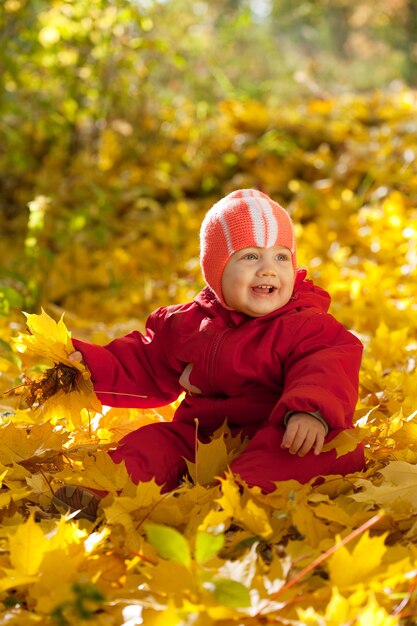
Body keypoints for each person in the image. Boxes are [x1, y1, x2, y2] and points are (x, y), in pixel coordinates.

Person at [52, 189, 365, 521]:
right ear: (217, 270)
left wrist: (309, 411)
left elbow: (326, 364)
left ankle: (233, 505)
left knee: (322, 450)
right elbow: (142, 363)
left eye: (281, 257)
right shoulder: (186, 324)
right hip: (202, 436)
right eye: (250, 257)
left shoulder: (306, 324)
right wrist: (88, 368)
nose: (268, 270)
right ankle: (99, 492)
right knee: (150, 443)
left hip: (283, 432)